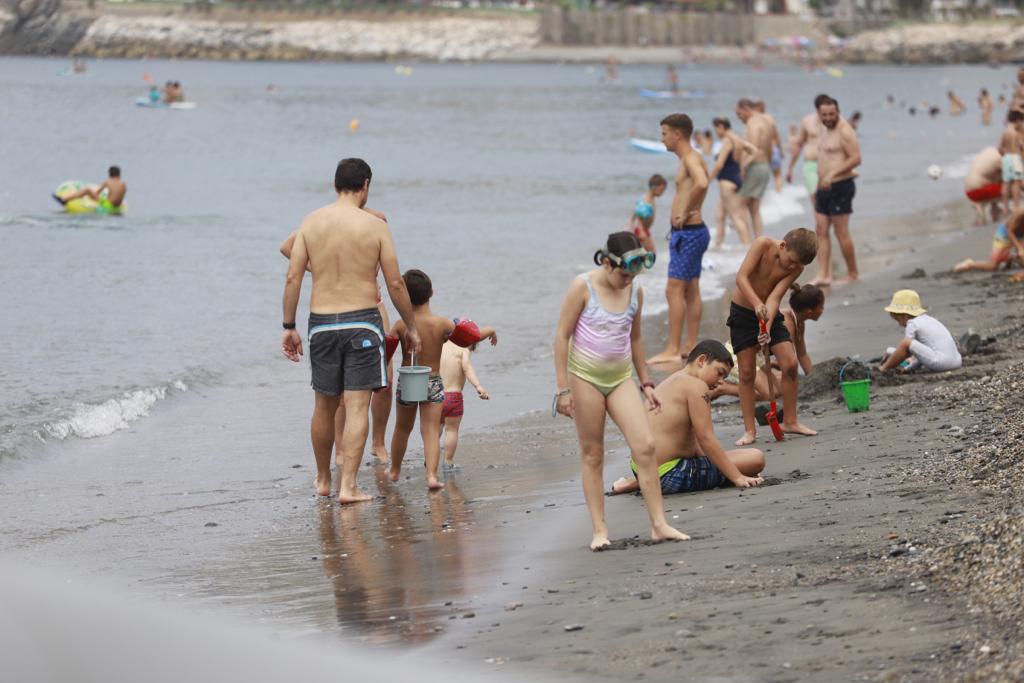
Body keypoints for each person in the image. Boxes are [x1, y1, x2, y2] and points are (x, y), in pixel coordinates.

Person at [280, 158, 422, 502]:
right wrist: (411, 326)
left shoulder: (311, 222)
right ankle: (349, 487)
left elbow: (293, 276)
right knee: (358, 406)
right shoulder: (375, 225)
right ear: (366, 185)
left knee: (323, 406)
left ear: (334, 185)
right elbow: (395, 284)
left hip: (322, 323)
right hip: (362, 320)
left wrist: (289, 326)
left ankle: (324, 480)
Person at [553, 231, 688, 550]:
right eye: (625, 275)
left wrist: (647, 383)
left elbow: (636, 338)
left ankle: (659, 524)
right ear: (608, 264)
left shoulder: (635, 290)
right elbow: (561, 337)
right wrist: (562, 390)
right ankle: (599, 531)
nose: (628, 281)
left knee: (645, 446)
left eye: (633, 276)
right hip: (584, 378)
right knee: (593, 453)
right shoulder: (582, 286)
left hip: (620, 378)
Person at [279, 206, 396, 467]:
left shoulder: (376, 219)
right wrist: (320, 270)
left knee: (385, 376)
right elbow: (287, 246)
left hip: (372, 305)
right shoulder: (325, 221)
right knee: (343, 389)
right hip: (341, 309)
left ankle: (378, 443)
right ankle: (341, 451)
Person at [608, 340, 765, 496]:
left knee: (728, 461)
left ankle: (637, 482)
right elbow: (706, 438)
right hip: (669, 475)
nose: (721, 381)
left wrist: (711, 464)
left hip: (641, 469)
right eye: (719, 372)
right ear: (702, 360)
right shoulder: (697, 386)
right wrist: (737, 476)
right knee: (755, 459)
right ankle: (639, 484)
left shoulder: (675, 379)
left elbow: (693, 439)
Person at [388, 270, 496, 491]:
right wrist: (491, 329)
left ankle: (395, 470)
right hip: (433, 381)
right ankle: (431, 477)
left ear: (405, 296)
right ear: (432, 293)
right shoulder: (441, 324)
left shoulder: (401, 325)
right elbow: (471, 337)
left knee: (402, 428)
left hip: (408, 380)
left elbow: (386, 351)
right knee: (429, 429)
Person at [729, 228, 819, 446]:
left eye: (796, 265)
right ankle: (750, 430)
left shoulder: (796, 267)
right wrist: (756, 303)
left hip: (769, 312)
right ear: (782, 246)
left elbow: (775, 296)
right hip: (742, 312)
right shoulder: (762, 244)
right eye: (790, 261)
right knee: (748, 372)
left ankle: (790, 421)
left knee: (789, 363)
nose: (791, 267)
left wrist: (766, 328)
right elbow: (741, 278)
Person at [647, 113, 710, 366]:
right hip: (695, 232)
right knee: (691, 289)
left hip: (689, 233)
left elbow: (703, 183)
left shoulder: (689, 159)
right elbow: (702, 183)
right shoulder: (693, 158)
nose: (662, 139)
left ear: (677, 134)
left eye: (664, 134)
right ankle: (690, 344)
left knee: (673, 289)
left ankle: (673, 348)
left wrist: (686, 211)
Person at [710, 283, 824, 402]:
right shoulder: (786, 323)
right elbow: (782, 361)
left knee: (778, 391)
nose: (822, 310)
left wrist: (812, 378)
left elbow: (802, 355)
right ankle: (724, 388)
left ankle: (732, 386)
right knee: (770, 394)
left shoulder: (799, 323)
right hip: (740, 354)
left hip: (759, 358)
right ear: (809, 312)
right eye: (821, 307)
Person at [813, 95, 862, 286]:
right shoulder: (825, 130)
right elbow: (824, 160)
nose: (828, 118)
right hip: (823, 187)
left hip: (841, 186)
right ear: (819, 114)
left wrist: (832, 174)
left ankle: (853, 272)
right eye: (824, 114)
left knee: (841, 232)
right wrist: (820, 183)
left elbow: (856, 158)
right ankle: (824, 274)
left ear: (838, 112)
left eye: (831, 114)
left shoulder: (845, 131)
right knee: (820, 230)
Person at [439, 339, 494, 471]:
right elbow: (467, 368)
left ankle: (429, 459)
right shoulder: (463, 350)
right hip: (453, 397)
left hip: (436, 395)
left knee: (435, 431)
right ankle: (448, 462)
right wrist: (478, 386)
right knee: (451, 430)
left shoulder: (439, 346)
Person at [879, 290, 962, 373]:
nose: (899, 325)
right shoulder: (929, 320)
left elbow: (906, 349)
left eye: (898, 320)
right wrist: (908, 369)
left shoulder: (912, 323)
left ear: (905, 315)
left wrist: (891, 359)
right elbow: (921, 354)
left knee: (906, 343)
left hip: (941, 363)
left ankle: (883, 369)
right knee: (907, 345)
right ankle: (887, 365)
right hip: (957, 361)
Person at [709, 117, 755, 248]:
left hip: (727, 181)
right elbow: (753, 151)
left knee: (736, 217)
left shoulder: (727, 140)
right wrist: (743, 166)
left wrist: (707, 180)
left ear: (721, 127)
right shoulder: (738, 139)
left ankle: (748, 247)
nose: (716, 132)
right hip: (736, 179)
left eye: (716, 128)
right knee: (720, 215)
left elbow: (719, 165)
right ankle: (718, 244)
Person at [734, 98, 774, 240]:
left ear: (746, 108)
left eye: (739, 114)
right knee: (754, 209)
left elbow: (754, 148)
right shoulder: (766, 121)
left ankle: (746, 244)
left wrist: (743, 166)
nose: (739, 118)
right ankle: (758, 241)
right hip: (763, 166)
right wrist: (767, 164)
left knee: (737, 208)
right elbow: (769, 147)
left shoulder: (752, 123)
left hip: (754, 167)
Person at [953, 206, 1024, 272]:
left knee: (1022, 258)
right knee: (993, 267)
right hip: (1005, 234)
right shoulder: (1021, 213)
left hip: (1021, 234)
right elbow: (1010, 230)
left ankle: (1011, 258)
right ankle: (970, 264)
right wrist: (1019, 248)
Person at [786, 95, 828, 203]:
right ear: (817, 108)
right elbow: (799, 145)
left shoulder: (833, 121)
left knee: (829, 198)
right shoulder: (807, 121)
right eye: (821, 110)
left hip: (829, 164)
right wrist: (790, 169)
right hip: (811, 165)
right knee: (815, 197)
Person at [53, 165, 126, 213]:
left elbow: (97, 193)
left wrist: (88, 197)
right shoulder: (124, 184)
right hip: (118, 206)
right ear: (119, 174)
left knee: (87, 190)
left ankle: (64, 200)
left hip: (107, 205)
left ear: (109, 174)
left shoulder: (107, 182)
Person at [964, 146, 1004, 225]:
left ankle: (992, 209)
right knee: (1013, 188)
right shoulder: (999, 158)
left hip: (969, 192)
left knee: (995, 178)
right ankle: (984, 206)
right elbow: (1011, 179)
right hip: (979, 191)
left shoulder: (989, 151)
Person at [630, 174, 667, 254]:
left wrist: (630, 224)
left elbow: (635, 213)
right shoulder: (647, 200)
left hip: (643, 230)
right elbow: (639, 217)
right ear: (655, 187)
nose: (662, 193)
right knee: (651, 253)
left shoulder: (649, 198)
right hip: (641, 231)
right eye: (662, 190)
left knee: (642, 255)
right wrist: (641, 231)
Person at [754, 99, 785, 193]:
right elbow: (776, 134)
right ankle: (779, 194)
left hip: (761, 151)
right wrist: (781, 149)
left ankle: (763, 198)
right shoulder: (769, 118)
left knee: (761, 176)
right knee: (778, 175)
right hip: (774, 148)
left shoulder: (753, 119)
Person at [999, 110, 1024, 214]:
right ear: (1017, 120)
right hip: (1015, 157)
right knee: (1016, 183)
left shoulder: (1005, 133)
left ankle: (1005, 208)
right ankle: (1016, 206)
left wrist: (1005, 156)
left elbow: (1000, 148)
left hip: (1006, 158)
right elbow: (1022, 146)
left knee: (1006, 183)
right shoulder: (1016, 133)